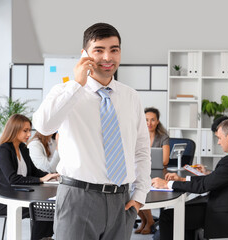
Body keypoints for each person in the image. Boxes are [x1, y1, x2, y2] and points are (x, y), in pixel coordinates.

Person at [32, 23, 151, 240]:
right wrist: (77, 84)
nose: (108, 57)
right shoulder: (65, 91)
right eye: (99, 50)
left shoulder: (131, 96)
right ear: (84, 54)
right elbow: (44, 126)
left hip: (121, 201)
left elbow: (141, 149)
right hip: (78, 197)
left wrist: (140, 194)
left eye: (114, 50)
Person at [152, 118, 228, 239]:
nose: (218, 142)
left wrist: (168, 184)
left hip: (222, 211)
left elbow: (203, 186)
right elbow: (212, 180)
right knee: (186, 207)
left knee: (168, 216)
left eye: (219, 138)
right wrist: (182, 180)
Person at [0, 114, 59, 240]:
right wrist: (41, 180)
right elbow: (13, 179)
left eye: (29, 130)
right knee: (41, 210)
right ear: (14, 129)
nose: (29, 134)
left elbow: (33, 171)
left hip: (19, 194)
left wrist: (49, 176)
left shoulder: (23, 148)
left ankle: (45, 237)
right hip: (1, 201)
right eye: (25, 131)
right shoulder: (4, 150)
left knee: (46, 209)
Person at [135, 107, 170, 235]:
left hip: (157, 173)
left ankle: (149, 221)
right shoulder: (138, 135)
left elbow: (165, 160)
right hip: (140, 170)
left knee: (143, 191)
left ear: (157, 121)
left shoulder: (163, 137)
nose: (149, 123)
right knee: (134, 191)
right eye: (146, 120)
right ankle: (144, 220)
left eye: (152, 120)